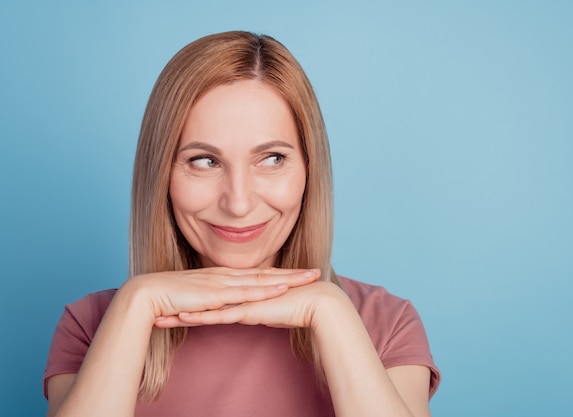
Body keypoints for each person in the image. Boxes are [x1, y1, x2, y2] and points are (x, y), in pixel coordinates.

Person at [44, 31, 440, 417]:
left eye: (271, 159)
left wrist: (332, 312)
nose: (238, 203)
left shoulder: (386, 323)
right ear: (161, 175)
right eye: (204, 161)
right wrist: (136, 303)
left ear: (309, 171)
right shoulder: (93, 324)